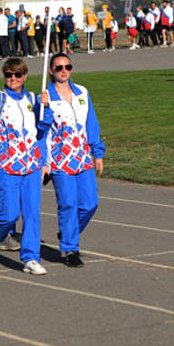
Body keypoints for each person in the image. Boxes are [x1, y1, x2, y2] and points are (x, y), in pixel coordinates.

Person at [0, 54, 52, 275]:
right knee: (8, 214)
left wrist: (47, 107)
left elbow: (43, 128)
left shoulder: (33, 99)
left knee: (32, 213)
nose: (13, 78)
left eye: (17, 74)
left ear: (24, 76)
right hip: (6, 166)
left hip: (31, 166)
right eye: (8, 75)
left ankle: (31, 257)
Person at [44, 54, 104, 266]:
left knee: (90, 204)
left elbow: (91, 123)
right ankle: (70, 250)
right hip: (60, 161)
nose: (63, 70)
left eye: (67, 66)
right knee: (68, 204)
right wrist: (44, 162)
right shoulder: (45, 97)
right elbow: (42, 132)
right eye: (59, 67)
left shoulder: (82, 92)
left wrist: (97, 152)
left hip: (82, 158)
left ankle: (68, 233)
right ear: (51, 70)